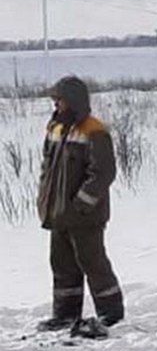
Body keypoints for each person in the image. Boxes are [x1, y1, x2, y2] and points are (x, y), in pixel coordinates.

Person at [35, 76, 124, 331]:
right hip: (58, 214)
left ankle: (111, 313)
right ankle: (65, 315)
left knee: (93, 262)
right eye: (54, 100)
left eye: (59, 100)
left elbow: (103, 173)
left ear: (73, 101)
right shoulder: (55, 128)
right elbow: (46, 167)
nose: (55, 106)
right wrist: (46, 201)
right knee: (62, 265)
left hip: (85, 216)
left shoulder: (94, 130)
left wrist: (81, 204)